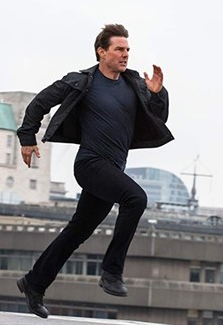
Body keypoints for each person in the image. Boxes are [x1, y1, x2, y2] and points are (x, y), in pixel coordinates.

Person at [15, 24, 173, 319]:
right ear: (102, 52)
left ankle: (34, 283)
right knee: (136, 198)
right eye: (119, 49)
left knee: (78, 231)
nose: (125, 54)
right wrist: (27, 137)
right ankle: (112, 272)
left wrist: (158, 93)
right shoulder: (81, 82)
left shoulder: (134, 84)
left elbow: (158, 119)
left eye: (128, 50)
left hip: (112, 168)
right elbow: (40, 103)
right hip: (90, 164)